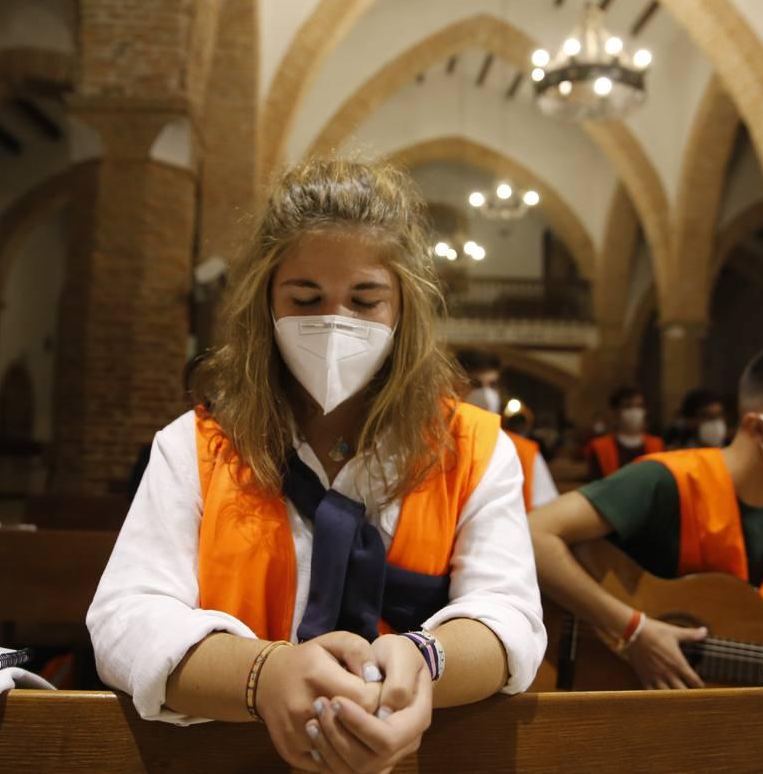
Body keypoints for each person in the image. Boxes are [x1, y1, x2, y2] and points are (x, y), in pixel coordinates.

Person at [87, 158, 545, 772]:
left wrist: (424, 662)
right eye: (306, 299)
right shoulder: (197, 446)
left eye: (365, 299)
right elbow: (126, 617)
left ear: (403, 307)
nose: (336, 323)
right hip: (224, 753)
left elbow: (506, 614)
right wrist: (264, 675)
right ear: (266, 304)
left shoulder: (474, 448)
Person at [530, 345, 763, 689]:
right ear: (757, 428)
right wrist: (632, 628)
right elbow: (535, 534)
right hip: (614, 692)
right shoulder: (667, 480)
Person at [455, 349, 559, 509]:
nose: (485, 394)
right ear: (456, 387)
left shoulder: (524, 452)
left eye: (493, 385)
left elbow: (547, 511)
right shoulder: (438, 447)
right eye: (475, 384)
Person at [584, 386, 664, 479]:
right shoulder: (600, 447)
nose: (634, 412)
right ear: (616, 412)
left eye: (639, 406)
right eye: (628, 406)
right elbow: (595, 485)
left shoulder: (657, 445)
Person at [662, 388, 729, 449]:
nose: (715, 422)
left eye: (719, 415)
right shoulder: (677, 455)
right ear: (689, 420)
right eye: (707, 416)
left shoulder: (731, 454)